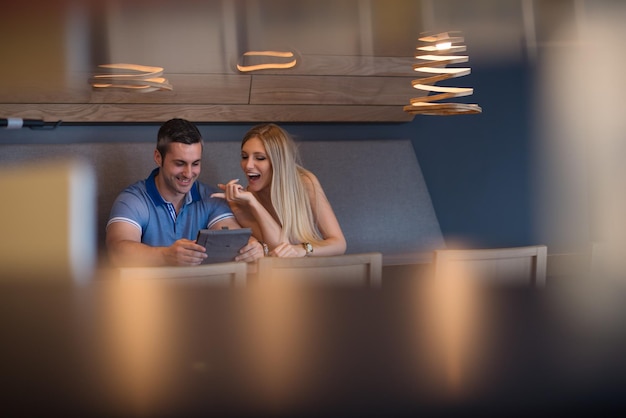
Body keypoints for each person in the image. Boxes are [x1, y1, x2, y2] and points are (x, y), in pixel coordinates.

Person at [106, 118, 264, 267]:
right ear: (158, 157)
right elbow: (117, 252)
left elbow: (234, 240)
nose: (188, 174)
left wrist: (252, 247)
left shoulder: (212, 199)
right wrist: (166, 256)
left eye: (195, 163)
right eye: (180, 163)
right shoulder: (132, 200)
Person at [212, 123, 346, 257]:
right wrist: (254, 203)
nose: (248, 165)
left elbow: (339, 244)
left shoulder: (305, 183)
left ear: (278, 162)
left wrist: (302, 249)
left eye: (260, 158)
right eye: (244, 157)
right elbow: (278, 248)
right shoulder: (242, 204)